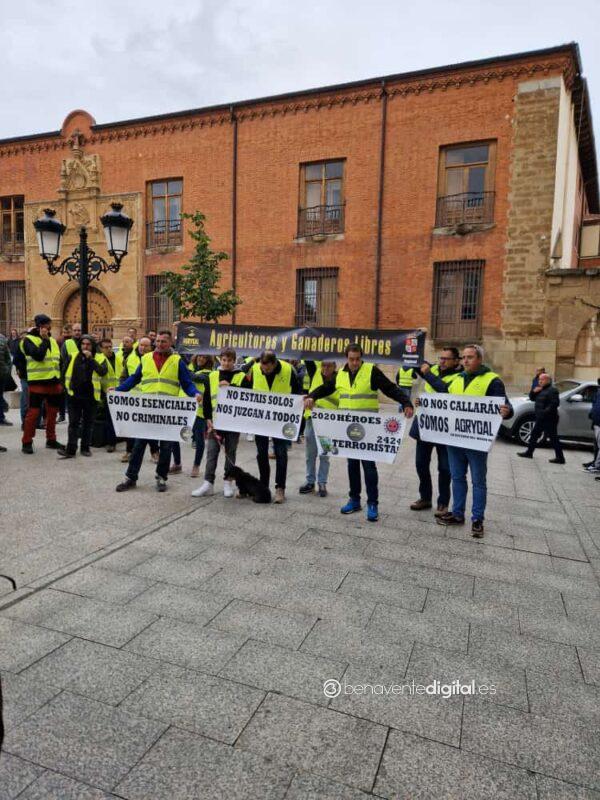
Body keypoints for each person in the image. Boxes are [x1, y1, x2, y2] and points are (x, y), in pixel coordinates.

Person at [305, 343, 414, 521]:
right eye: (351, 359)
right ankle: (354, 499)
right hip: (348, 430)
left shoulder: (371, 371)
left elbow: (390, 388)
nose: (355, 362)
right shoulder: (340, 374)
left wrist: (406, 402)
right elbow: (327, 388)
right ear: (346, 358)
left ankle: (373, 503)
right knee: (352, 465)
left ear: (361, 357)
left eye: (357, 359)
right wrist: (312, 396)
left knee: (369, 467)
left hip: (368, 431)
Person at [420, 344, 512, 538]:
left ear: (480, 359)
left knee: (478, 481)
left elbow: (505, 405)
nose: (465, 361)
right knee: (457, 477)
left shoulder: (492, 381)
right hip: (454, 440)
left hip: (476, 442)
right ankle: (458, 513)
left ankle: (477, 519)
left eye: (470, 357)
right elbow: (443, 391)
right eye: (464, 357)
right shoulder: (458, 379)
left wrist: (507, 411)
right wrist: (425, 400)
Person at [113, 330, 201, 493]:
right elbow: (134, 379)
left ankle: (161, 478)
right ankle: (130, 478)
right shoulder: (146, 359)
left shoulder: (177, 361)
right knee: (139, 445)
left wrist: (195, 393)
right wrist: (118, 390)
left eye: (163, 342)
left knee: (166, 447)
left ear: (170, 343)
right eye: (158, 341)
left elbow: (186, 383)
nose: (159, 344)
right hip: (147, 411)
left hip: (167, 413)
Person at [237, 351, 303, 503]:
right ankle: (263, 487)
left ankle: (280, 488)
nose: (263, 372)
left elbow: (297, 391)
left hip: (281, 420)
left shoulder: (288, 370)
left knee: (281, 454)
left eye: (266, 369)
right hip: (261, 419)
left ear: (274, 364)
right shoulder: (255, 368)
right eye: (262, 368)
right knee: (261, 454)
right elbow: (244, 388)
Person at [409, 347, 462, 516]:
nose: (442, 361)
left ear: (456, 361)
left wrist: (428, 375)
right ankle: (425, 498)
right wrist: (417, 339)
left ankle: (443, 502)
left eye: (447, 359)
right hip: (425, 425)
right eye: (441, 358)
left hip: (445, 430)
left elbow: (445, 390)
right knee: (421, 464)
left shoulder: (459, 377)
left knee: (445, 468)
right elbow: (412, 359)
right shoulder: (431, 368)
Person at [192, 349, 244, 497]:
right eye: (224, 360)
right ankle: (208, 483)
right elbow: (207, 399)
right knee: (211, 453)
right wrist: (208, 418)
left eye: (229, 360)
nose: (226, 363)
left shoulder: (241, 376)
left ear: (234, 361)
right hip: (215, 422)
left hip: (233, 422)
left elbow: (247, 395)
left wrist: (231, 388)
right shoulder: (212, 375)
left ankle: (228, 483)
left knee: (230, 453)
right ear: (219, 360)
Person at [20, 314, 65, 454]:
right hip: (37, 382)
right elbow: (38, 356)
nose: (48, 328)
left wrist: (60, 380)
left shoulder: (52, 340)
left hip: (54, 382)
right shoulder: (28, 340)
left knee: (52, 413)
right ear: (40, 326)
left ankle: (51, 439)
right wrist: (44, 341)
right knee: (33, 413)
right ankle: (27, 442)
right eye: (46, 325)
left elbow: (59, 361)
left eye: (49, 325)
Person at [58, 335, 107, 459]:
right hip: (74, 396)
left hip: (91, 396)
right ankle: (71, 450)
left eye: (88, 344)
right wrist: (65, 388)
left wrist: (91, 359)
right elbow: (63, 373)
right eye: (83, 344)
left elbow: (102, 372)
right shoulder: (73, 356)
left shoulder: (100, 358)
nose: (85, 346)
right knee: (73, 423)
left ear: (92, 346)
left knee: (88, 424)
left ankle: (85, 448)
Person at [299, 360, 338, 497]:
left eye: (329, 366)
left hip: (328, 423)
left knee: (325, 454)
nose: (325, 368)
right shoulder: (315, 373)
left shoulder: (339, 379)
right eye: (324, 365)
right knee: (310, 454)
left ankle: (322, 483)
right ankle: (310, 481)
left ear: (335, 367)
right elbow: (308, 356)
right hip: (312, 420)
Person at [121, 336, 157, 463]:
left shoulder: (155, 359)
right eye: (141, 345)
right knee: (131, 427)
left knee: (150, 428)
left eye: (146, 345)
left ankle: (154, 452)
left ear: (151, 347)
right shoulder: (130, 358)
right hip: (134, 399)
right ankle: (129, 451)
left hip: (149, 398)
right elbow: (124, 376)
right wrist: (119, 390)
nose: (142, 347)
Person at [517, 373, 565, 464]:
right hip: (541, 418)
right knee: (534, 435)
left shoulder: (553, 390)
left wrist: (544, 412)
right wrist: (533, 391)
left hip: (549, 419)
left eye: (542, 380)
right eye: (539, 379)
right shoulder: (540, 390)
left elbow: (554, 404)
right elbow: (532, 398)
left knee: (553, 438)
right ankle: (529, 453)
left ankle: (560, 458)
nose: (540, 381)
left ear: (547, 380)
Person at [187, 355, 213, 478]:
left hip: (200, 413)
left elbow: (194, 377)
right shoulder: (195, 369)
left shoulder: (208, 373)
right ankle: (176, 463)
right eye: (199, 356)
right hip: (189, 410)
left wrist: (181, 364)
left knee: (199, 439)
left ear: (208, 360)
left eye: (204, 357)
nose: (200, 359)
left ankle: (196, 465)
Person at [96, 338, 120, 452]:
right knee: (109, 419)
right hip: (107, 393)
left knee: (118, 418)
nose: (109, 349)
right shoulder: (100, 359)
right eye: (106, 347)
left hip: (120, 392)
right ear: (101, 349)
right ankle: (111, 443)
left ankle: (118, 439)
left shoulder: (118, 358)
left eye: (110, 346)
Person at [585, 381, 600, 474]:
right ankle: (596, 463)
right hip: (596, 422)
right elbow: (595, 406)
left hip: (598, 422)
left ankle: (597, 466)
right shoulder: (598, 392)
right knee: (597, 446)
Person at [0, 331, 12, 427]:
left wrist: (7, 370)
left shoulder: (2, 338)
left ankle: (1, 418)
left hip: (1, 373)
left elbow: (8, 357)